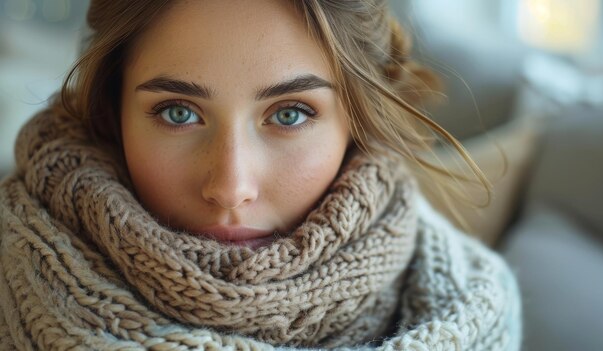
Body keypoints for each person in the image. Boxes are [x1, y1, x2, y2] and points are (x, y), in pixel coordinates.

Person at [0, 0, 522, 350]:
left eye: (290, 114)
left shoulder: (476, 310)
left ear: (357, 123)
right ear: (112, 117)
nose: (230, 188)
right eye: (178, 113)